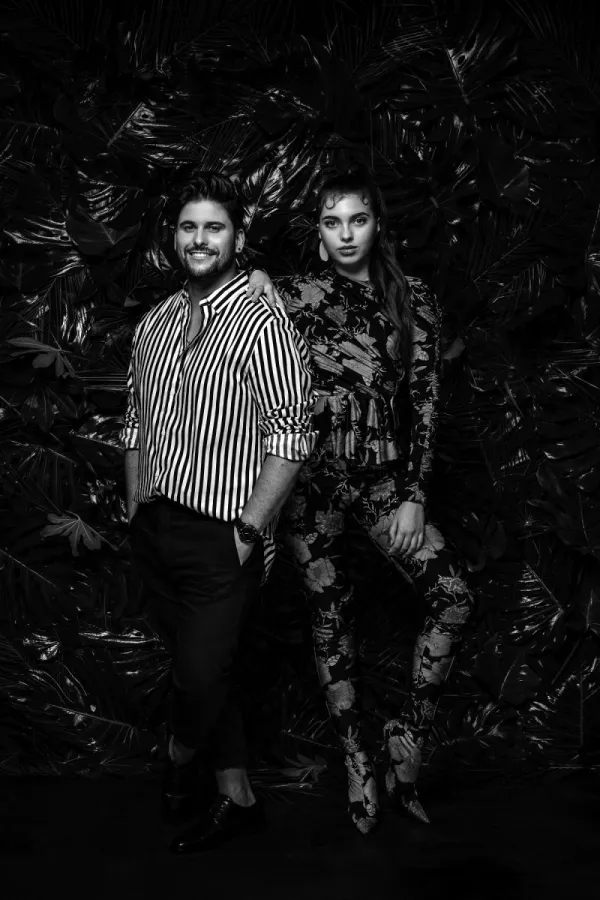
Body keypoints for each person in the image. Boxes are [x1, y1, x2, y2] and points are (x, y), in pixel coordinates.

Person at [274, 167, 475, 835]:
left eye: (356, 220)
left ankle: (406, 736)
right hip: (308, 485)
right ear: (319, 232)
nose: (345, 234)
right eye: (332, 222)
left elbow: (426, 406)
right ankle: (356, 758)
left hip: (382, 482)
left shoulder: (412, 298)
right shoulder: (292, 295)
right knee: (330, 621)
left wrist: (414, 498)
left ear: (376, 225)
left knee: (452, 595)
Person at [121, 171, 316, 853]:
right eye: (188, 227)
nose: (199, 239)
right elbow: (134, 419)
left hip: (222, 535)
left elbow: (292, 435)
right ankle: (238, 796)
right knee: (211, 671)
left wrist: (250, 528)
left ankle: (180, 757)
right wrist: (135, 503)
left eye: (214, 227)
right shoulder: (153, 323)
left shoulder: (263, 321)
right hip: (155, 527)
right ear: (173, 236)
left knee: (200, 674)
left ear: (238, 235)